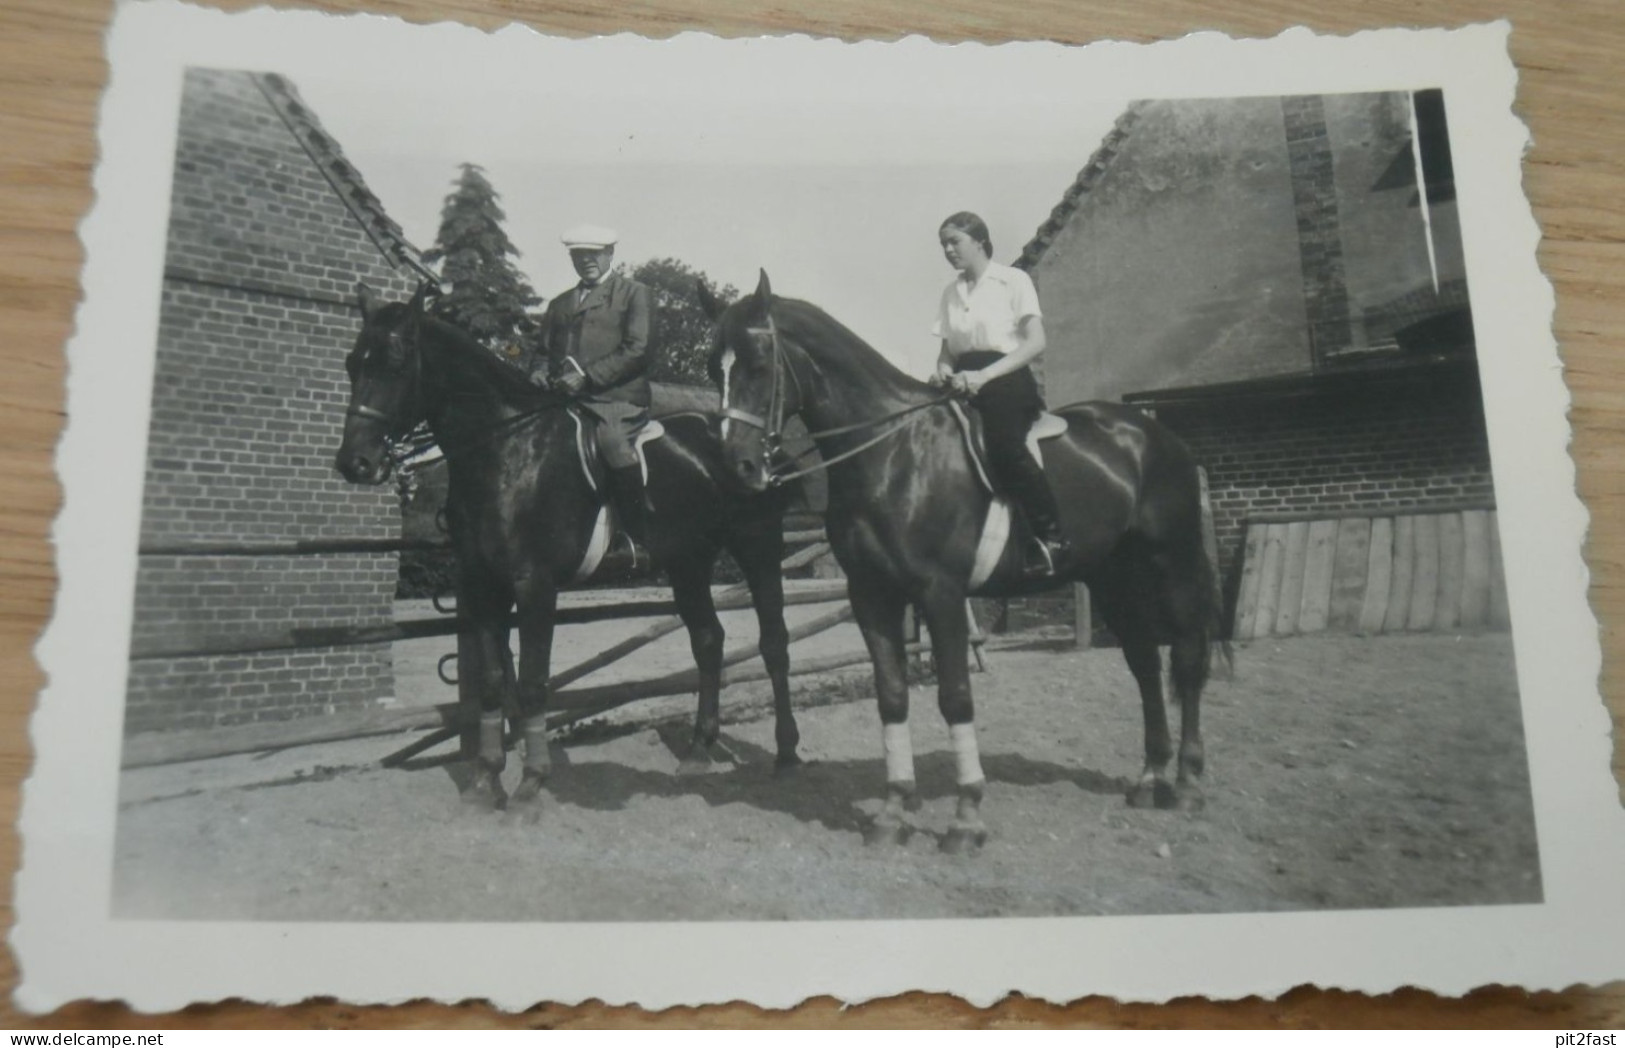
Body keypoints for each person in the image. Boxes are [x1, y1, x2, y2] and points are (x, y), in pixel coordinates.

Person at [929, 211, 1072, 579]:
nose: (948, 250)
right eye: (943, 243)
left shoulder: (1012, 280)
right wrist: (944, 369)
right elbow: (948, 350)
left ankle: (1051, 536)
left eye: (954, 241)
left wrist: (985, 375)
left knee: (1004, 445)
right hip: (962, 380)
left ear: (979, 241)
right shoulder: (950, 292)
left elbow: (1035, 341)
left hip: (1006, 377)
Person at [529, 224, 655, 571]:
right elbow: (541, 352)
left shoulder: (634, 293)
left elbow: (638, 349)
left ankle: (633, 538)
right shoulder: (559, 304)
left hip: (615, 399)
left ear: (610, 254)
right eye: (579, 256)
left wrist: (587, 377)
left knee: (613, 443)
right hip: (565, 401)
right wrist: (539, 372)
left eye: (594, 254)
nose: (587, 261)